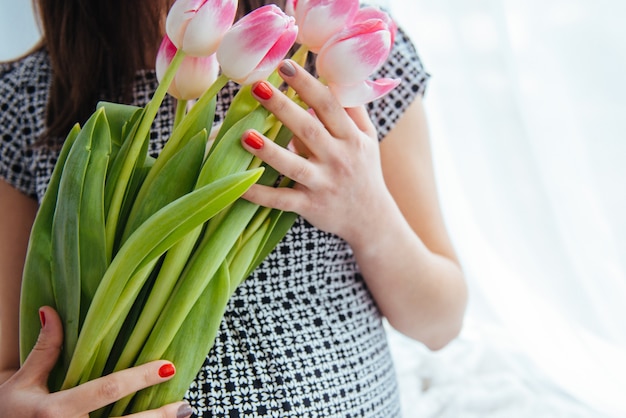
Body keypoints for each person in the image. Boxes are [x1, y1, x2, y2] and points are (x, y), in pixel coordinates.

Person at [0, 0, 467, 416]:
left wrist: (370, 216)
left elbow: (440, 324)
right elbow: (8, 369)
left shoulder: (343, 48)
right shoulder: (25, 94)